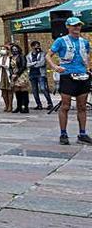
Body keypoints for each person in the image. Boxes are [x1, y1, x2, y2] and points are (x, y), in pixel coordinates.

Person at [46, 17, 91, 145]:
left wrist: (88, 68)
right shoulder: (61, 41)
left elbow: (86, 56)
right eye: (74, 25)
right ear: (68, 27)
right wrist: (55, 67)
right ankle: (63, 133)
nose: (77, 27)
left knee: (82, 106)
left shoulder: (85, 42)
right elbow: (48, 55)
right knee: (65, 106)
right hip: (67, 76)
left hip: (82, 76)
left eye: (78, 25)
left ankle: (82, 133)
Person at [27, 41, 53, 110]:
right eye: (36, 46)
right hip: (32, 74)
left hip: (41, 74)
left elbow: (42, 63)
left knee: (43, 88)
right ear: (32, 47)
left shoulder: (43, 54)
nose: (37, 47)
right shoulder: (29, 55)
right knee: (35, 90)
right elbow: (27, 64)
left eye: (38, 46)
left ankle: (50, 103)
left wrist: (32, 64)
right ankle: (39, 104)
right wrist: (35, 63)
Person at [9, 43, 30, 114]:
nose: (14, 50)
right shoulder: (11, 57)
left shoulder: (22, 56)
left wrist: (17, 74)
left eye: (16, 49)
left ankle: (25, 107)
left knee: (23, 91)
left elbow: (23, 66)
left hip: (22, 74)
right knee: (17, 91)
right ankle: (19, 106)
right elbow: (10, 67)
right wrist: (12, 74)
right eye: (13, 49)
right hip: (14, 74)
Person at [0, 45, 13, 112]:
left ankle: (10, 105)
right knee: (3, 91)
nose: (3, 50)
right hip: (1, 74)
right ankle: (6, 105)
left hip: (8, 75)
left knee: (9, 90)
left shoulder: (10, 58)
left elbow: (11, 66)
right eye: (2, 49)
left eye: (4, 49)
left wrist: (6, 66)